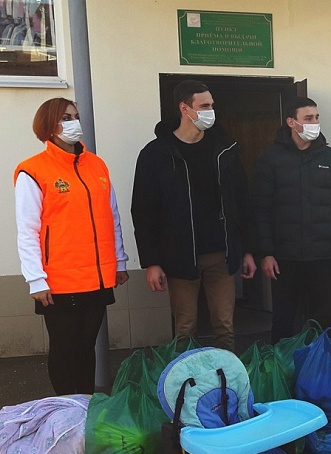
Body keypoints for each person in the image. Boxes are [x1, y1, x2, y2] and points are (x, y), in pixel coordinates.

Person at [14, 98, 129, 395]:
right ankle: (66, 407)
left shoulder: (97, 165)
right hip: (59, 282)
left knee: (86, 348)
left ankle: (85, 405)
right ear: (49, 125)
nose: (74, 122)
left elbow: (112, 216)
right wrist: (35, 279)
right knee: (65, 351)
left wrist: (119, 261)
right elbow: (27, 230)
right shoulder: (33, 170)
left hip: (97, 278)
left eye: (75, 116)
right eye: (66, 117)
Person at [131, 80, 256, 352]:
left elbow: (242, 203)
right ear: (184, 108)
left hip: (221, 254)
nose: (211, 111)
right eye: (204, 106)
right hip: (180, 255)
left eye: (212, 105)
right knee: (185, 328)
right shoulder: (156, 154)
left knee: (225, 326)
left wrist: (247, 250)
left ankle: (226, 376)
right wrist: (152, 262)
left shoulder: (225, 150)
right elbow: (143, 211)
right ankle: (184, 376)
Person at [253, 97, 331, 343]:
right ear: (291, 122)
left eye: (316, 118)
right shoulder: (271, 158)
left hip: (322, 256)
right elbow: (261, 209)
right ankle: (281, 363)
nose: (315, 123)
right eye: (308, 118)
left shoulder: (330, 158)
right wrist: (266, 253)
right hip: (284, 258)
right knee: (284, 320)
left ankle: (322, 363)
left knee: (323, 320)